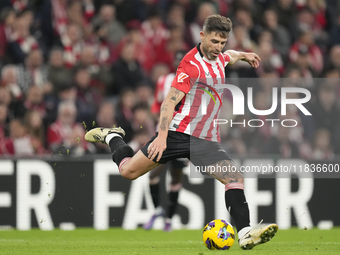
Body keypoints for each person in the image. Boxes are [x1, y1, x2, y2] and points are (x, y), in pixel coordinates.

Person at [85, 14, 278, 250]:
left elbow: (229, 57)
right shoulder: (190, 65)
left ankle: (245, 232)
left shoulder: (220, 56)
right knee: (128, 172)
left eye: (222, 42)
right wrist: (163, 137)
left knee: (235, 179)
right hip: (178, 134)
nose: (218, 47)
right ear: (202, 36)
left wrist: (244, 55)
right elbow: (168, 103)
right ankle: (113, 136)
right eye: (214, 41)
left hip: (205, 140)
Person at [143, 50, 187, 232]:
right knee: (152, 174)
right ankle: (157, 210)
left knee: (175, 177)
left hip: (182, 135)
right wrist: (155, 115)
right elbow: (156, 103)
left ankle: (169, 219)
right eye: (177, 60)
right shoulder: (164, 81)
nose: (179, 63)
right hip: (162, 134)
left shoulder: (194, 82)